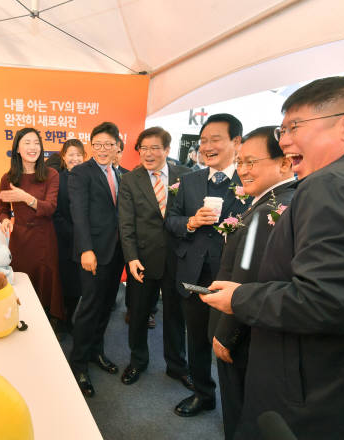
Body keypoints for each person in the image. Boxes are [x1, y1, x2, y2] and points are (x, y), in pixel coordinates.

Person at [202, 77, 344, 440]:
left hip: (317, 393)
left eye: (293, 127)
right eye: (282, 130)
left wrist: (238, 300)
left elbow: (329, 304)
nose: (284, 141)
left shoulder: (333, 184)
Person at [207, 126, 295, 440]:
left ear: (284, 163)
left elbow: (247, 276)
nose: (242, 171)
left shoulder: (268, 212)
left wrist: (225, 334)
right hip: (262, 327)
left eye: (251, 162)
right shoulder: (282, 200)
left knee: (238, 408)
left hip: (242, 330)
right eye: (240, 162)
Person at [165, 113, 250, 417]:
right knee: (198, 339)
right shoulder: (189, 180)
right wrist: (190, 222)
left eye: (216, 139)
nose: (207, 146)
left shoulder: (250, 181)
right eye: (203, 141)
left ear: (236, 142)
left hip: (234, 279)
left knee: (231, 343)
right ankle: (203, 394)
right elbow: (170, 221)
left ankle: (238, 408)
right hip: (193, 275)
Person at [118, 126, 192, 388]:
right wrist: (131, 258)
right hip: (143, 259)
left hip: (178, 258)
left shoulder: (186, 175)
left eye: (154, 148)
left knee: (175, 316)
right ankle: (137, 361)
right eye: (143, 149)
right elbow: (125, 224)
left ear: (167, 150)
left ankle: (177, 366)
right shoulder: (130, 180)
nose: (148, 154)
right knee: (138, 314)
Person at [68, 122, 124, 397]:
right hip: (92, 254)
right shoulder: (81, 173)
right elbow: (78, 213)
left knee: (106, 307)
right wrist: (85, 250)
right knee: (89, 308)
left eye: (108, 145)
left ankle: (96, 352)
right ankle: (78, 363)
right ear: (92, 146)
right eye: (97, 145)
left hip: (116, 254)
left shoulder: (121, 173)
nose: (103, 150)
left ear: (117, 147)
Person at [0, 128, 63, 319]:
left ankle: (48, 323)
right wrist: (5, 220)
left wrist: (26, 198)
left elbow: (50, 207)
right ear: (17, 148)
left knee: (46, 283)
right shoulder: (8, 178)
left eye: (36, 143)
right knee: (21, 283)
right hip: (20, 240)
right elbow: (3, 209)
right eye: (27, 143)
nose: (32, 147)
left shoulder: (51, 174)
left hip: (45, 238)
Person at [52, 139, 85, 331]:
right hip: (64, 240)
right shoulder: (57, 179)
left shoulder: (89, 178)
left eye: (79, 155)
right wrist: (74, 233)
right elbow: (55, 212)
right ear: (64, 157)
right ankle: (60, 319)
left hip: (85, 244)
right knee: (64, 283)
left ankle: (70, 318)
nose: (75, 158)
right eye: (71, 154)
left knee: (78, 286)